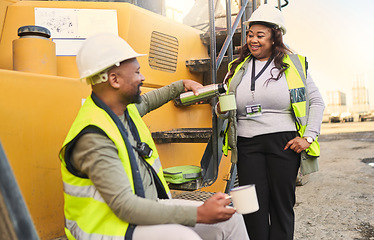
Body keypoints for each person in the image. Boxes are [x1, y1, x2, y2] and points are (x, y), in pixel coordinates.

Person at [59, 33, 249, 240]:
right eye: (137, 72)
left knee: (231, 220)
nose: (142, 78)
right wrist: (199, 214)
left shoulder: (123, 110)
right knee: (185, 238)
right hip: (109, 229)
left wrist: (182, 85)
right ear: (114, 80)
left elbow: (149, 101)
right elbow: (126, 207)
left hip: (146, 209)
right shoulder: (94, 138)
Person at [215, 4, 325, 240]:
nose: (253, 40)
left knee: (281, 207)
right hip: (247, 144)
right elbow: (225, 107)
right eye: (250, 34)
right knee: (250, 209)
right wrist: (219, 109)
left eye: (260, 35)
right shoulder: (236, 68)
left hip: (283, 143)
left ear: (275, 37)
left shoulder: (293, 65)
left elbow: (317, 102)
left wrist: (308, 137)